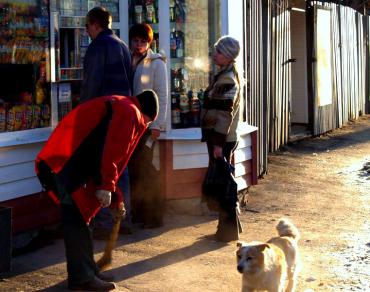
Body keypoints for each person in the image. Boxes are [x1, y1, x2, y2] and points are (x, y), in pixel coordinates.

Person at [35, 91, 159, 291]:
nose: (145, 126)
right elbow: (112, 151)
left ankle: (88, 271)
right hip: (66, 167)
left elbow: (107, 156)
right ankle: (82, 279)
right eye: (148, 122)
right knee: (77, 224)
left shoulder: (123, 105)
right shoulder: (130, 112)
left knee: (82, 222)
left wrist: (115, 197)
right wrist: (107, 187)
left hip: (66, 164)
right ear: (148, 114)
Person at [80, 6, 133, 238]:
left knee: (102, 167)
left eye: (87, 27)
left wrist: (82, 115)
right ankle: (122, 218)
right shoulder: (122, 45)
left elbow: (91, 85)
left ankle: (103, 223)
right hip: (124, 114)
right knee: (120, 166)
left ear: (95, 24)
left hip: (103, 115)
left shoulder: (97, 47)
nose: (86, 32)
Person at [200, 36, 242, 242]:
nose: (214, 54)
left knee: (223, 185)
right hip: (224, 138)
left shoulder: (227, 78)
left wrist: (217, 144)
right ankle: (228, 229)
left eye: (218, 51)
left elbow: (225, 113)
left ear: (227, 55)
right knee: (225, 183)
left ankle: (226, 232)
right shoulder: (227, 74)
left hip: (222, 139)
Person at [128, 23, 168, 228]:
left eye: (142, 41)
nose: (138, 45)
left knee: (146, 168)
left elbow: (162, 94)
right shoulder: (130, 60)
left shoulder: (156, 63)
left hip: (148, 124)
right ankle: (139, 212)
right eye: (135, 40)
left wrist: (158, 125)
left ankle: (154, 214)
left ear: (149, 42)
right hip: (132, 123)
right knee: (134, 168)